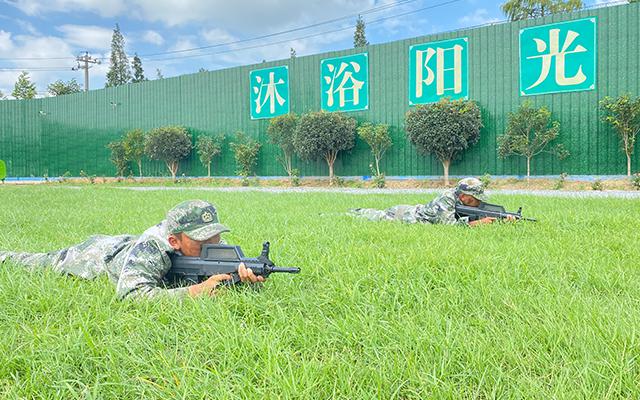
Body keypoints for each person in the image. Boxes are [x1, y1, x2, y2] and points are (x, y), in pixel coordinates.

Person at [0, 200, 264, 300]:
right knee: (37, 262)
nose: (212, 246)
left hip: (124, 242)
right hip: (95, 256)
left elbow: (219, 271)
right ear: (174, 241)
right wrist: (195, 291)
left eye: (215, 237)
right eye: (202, 241)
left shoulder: (208, 244)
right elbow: (131, 295)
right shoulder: (153, 248)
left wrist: (243, 279)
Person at [348, 177, 498, 227]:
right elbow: (450, 225)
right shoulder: (447, 197)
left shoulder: (461, 199)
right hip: (405, 215)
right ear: (464, 197)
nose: (477, 204)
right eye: (474, 200)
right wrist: (481, 222)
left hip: (414, 210)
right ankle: (344, 214)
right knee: (372, 215)